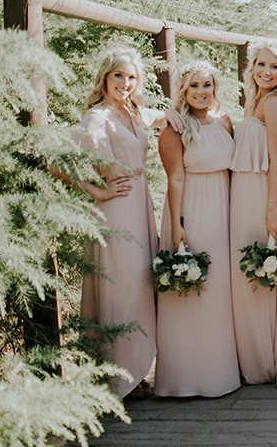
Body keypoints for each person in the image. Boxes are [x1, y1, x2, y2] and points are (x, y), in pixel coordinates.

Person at [75, 47, 180, 399]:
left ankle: (134, 372)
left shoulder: (133, 111)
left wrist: (174, 116)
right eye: (118, 75)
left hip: (140, 204)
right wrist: (95, 189)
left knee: (139, 285)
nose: (125, 82)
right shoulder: (97, 117)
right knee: (121, 289)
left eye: (131, 77)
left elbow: (161, 116)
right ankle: (117, 377)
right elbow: (57, 161)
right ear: (105, 76)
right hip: (117, 206)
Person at [154, 61, 240, 397]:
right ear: (183, 91)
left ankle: (220, 374)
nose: (201, 92)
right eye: (194, 86)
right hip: (191, 209)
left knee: (219, 291)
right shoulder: (174, 128)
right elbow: (174, 177)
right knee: (190, 291)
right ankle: (183, 379)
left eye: (207, 85)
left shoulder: (225, 122)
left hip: (223, 209)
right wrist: (177, 224)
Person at [229, 41, 277, 384]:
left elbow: (276, 161)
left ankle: (271, 357)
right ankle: (251, 355)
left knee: (265, 267)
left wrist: (272, 208)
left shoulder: (275, 103)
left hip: (264, 194)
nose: (266, 72)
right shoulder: (253, 100)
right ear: (251, 67)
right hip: (243, 194)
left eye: (274, 66)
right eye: (260, 64)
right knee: (248, 272)